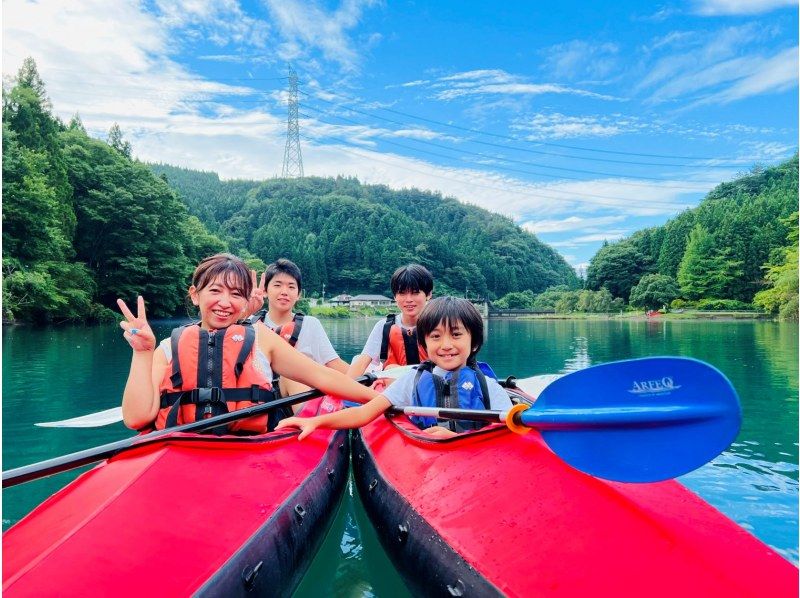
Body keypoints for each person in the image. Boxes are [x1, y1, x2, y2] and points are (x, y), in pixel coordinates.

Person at [118, 253, 377, 433]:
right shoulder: (166, 348)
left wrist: (379, 400)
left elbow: (323, 377)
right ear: (195, 296)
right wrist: (143, 353)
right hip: (183, 446)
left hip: (250, 448)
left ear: (245, 302)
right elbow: (136, 417)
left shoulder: (261, 337)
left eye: (236, 294)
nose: (225, 302)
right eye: (215, 291)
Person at [277, 296, 512, 439]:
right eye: (436, 336)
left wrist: (458, 438)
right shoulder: (412, 380)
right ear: (424, 343)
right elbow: (363, 413)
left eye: (457, 335)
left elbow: (507, 430)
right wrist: (315, 422)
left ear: (475, 343)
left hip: (473, 457)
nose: (446, 345)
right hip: (425, 455)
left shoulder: (487, 385)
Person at [247, 259, 349, 400]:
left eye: (291, 287)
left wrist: (372, 378)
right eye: (277, 285)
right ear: (265, 291)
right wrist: (244, 312)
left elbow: (333, 363)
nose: (284, 292)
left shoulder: (310, 324)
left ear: (299, 294)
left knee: (293, 376)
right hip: (258, 398)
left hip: (296, 396)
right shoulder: (248, 323)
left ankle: (312, 419)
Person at [348, 264, 433, 377]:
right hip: (393, 386)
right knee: (390, 367)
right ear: (394, 296)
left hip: (431, 383)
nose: (408, 300)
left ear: (428, 294)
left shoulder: (438, 324)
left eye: (415, 293)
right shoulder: (384, 326)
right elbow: (363, 361)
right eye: (402, 293)